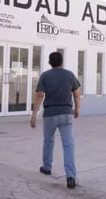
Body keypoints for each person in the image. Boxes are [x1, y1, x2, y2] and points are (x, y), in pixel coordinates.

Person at [30, 51, 81, 189]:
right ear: (62, 62)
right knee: (68, 145)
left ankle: (47, 167)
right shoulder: (69, 75)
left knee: (48, 140)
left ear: (49, 63)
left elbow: (39, 96)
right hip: (66, 113)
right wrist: (77, 109)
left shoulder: (45, 76)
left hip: (50, 114)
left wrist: (34, 115)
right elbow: (77, 94)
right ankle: (70, 176)